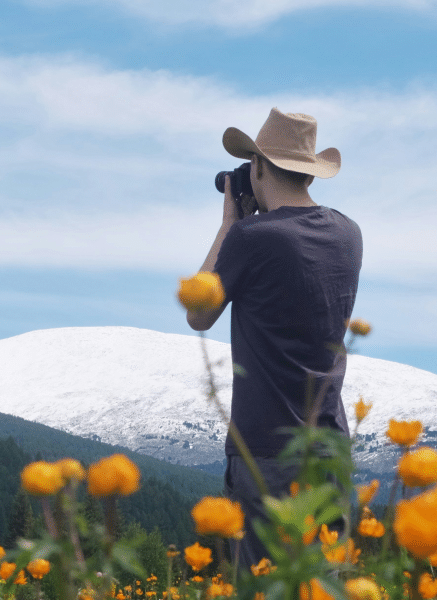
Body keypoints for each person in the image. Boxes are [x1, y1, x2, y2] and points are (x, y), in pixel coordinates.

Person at [186, 108, 363, 568]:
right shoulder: (349, 234)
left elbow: (198, 313)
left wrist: (230, 223)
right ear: (310, 173)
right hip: (328, 445)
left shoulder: (251, 237)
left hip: (265, 449)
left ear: (259, 167)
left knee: (264, 586)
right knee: (324, 585)